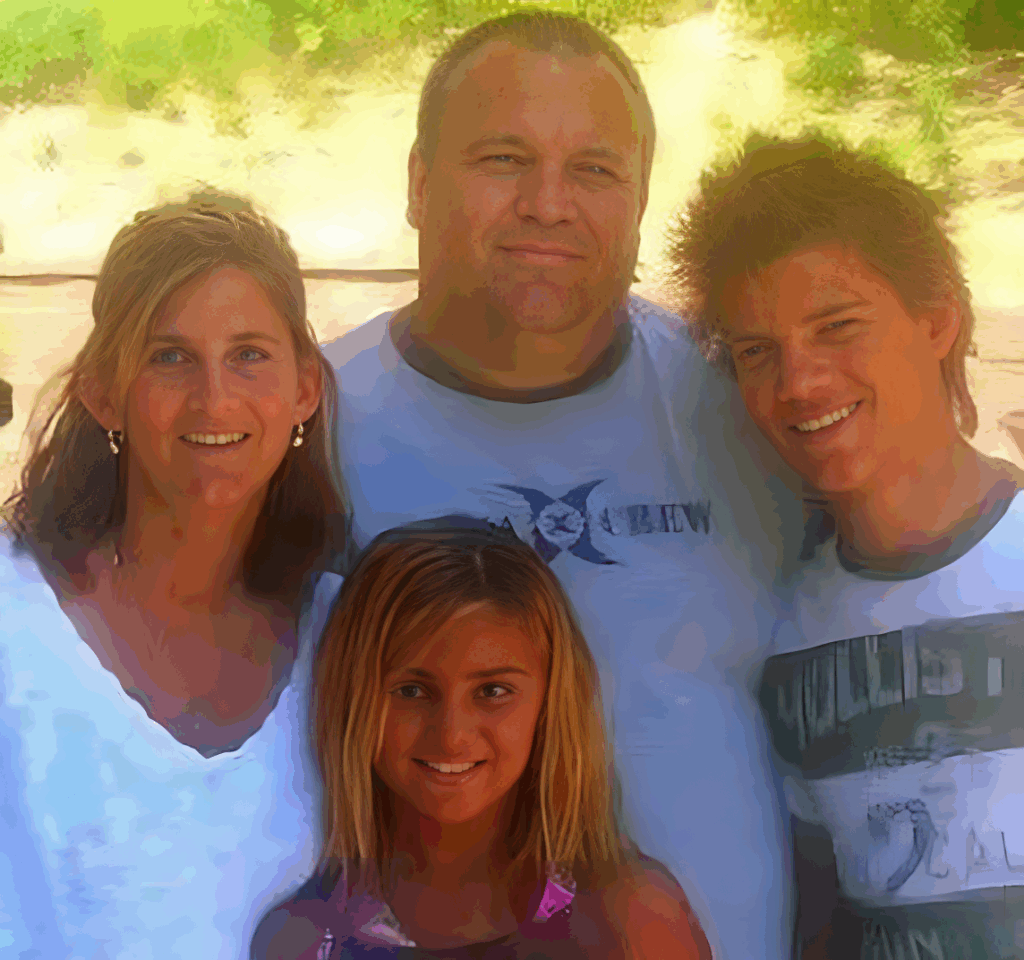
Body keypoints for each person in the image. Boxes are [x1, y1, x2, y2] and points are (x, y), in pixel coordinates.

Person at [322, 11, 803, 959]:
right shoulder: (309, 430)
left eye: (593, 169)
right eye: (503, 158)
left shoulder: (744, 404)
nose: (549, 203)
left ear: (640, 201)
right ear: (418, 183)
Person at [667, 132, 1024, 958]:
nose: (800, 381)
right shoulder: (784, 631)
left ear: (937, 323)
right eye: (758, 352)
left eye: (838, 326)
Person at [0, 193, 346, 957]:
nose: (214, 397)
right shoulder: (11, 617)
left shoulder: (351, 641)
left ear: (304, 389)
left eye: (249, 353)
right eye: (169, 357)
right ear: (102, 394)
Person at [252, 522, 712, 959]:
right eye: (411, 691)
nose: (451, 735)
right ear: (352, 699)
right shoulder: (303, 941)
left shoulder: (631, 917)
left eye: (492, 692)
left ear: (551, 702)